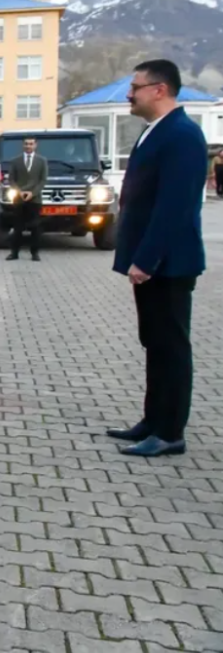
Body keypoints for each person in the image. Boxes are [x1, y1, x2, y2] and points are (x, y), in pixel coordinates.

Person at [107, 59, 207, 458]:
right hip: (154, 263)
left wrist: (146, 259)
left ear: (160, 89)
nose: (130, 94)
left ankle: (170, 432)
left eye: (136, 87)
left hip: (168, 265)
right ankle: (152, 420)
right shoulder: (157, 132)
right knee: (154, 343)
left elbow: (175, 207)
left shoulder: (182, 135)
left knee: (170, 346)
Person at [6, 137, 47, 262]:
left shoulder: (42, 161)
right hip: (19, 199)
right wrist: (20, 192)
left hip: (35, 200)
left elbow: (43, 180)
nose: (28, 146)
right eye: (26, 144)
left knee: (35, 227)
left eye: (31, 144)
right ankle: (14, 253)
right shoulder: (15, 161)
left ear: (35, 145)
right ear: (22, 145)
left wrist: (32, 193)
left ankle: (35, 253)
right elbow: (11, 179)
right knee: (17, 228)